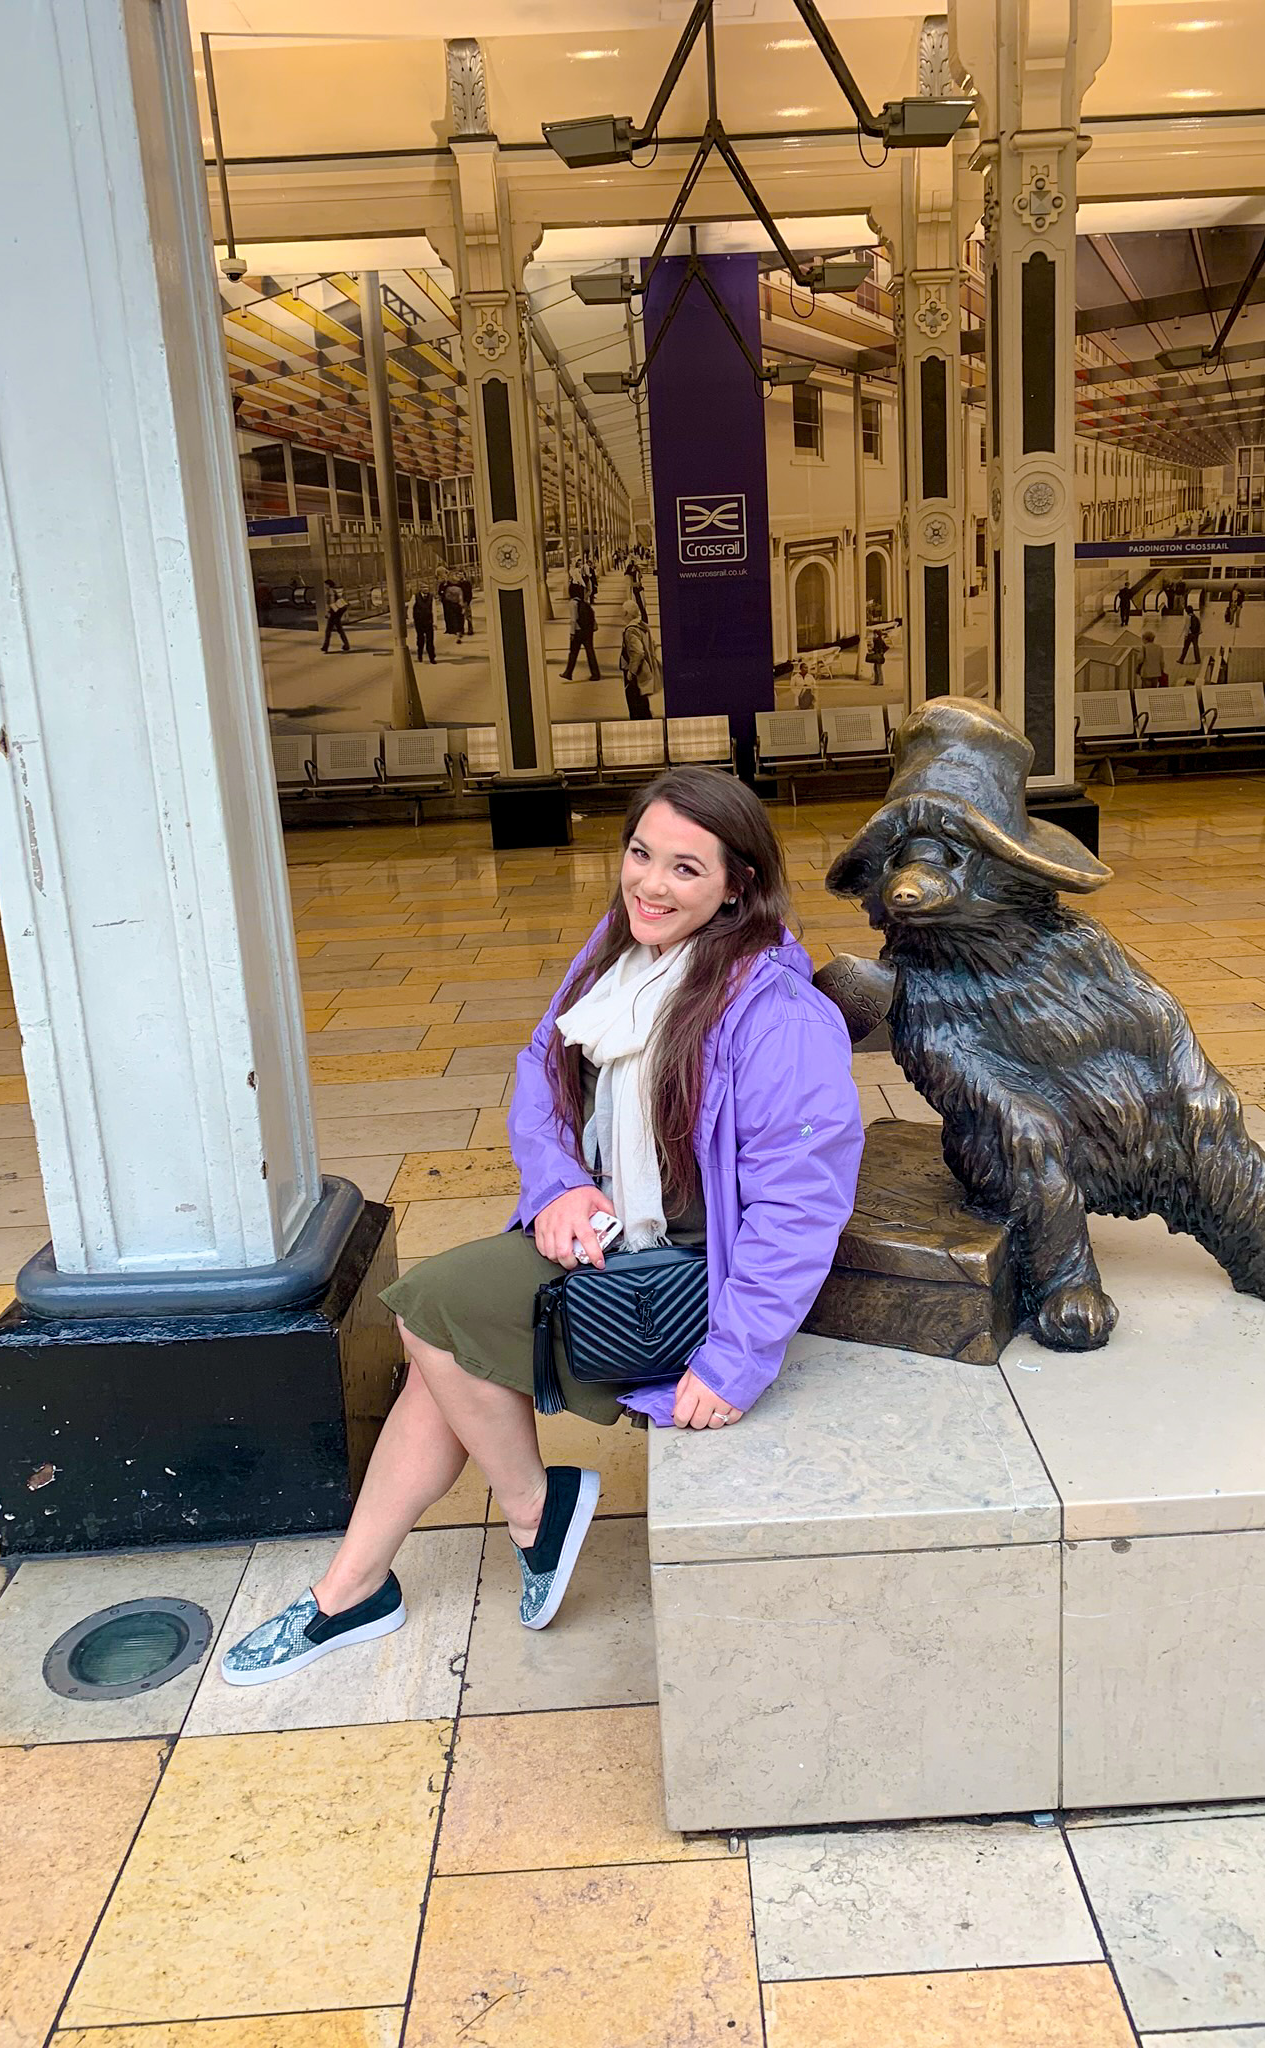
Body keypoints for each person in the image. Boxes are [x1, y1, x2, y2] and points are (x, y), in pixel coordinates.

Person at [218, 770, 864, 1682]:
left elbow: (802, 1203)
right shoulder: (619, 951)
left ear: (738, 886)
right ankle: (353, 1588)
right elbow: (542, 1067)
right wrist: (559, 1184)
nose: (650, 884)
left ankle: (531, 1513)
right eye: (641, 853)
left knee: (429, 1315)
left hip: (687, 1271)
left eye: (686, 868)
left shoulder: (779, 1016)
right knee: (440, 1362)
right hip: (600, 1233)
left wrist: (737, 1358)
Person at [562, 580, 601, 681]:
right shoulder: (584, 602)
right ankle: (595, 674)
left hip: (578, 631)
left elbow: (573, 619)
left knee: (573, 653)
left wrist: (572, 633)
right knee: (590, 652)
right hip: (588, 631)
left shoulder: (572, 603)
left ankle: (568, 673)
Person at [620, 620, 657, 719]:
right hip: (643, 669)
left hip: (635, 669)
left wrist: (631, 671)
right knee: (642, 698)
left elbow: (638, 652)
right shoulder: (642, 627)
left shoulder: (630, 630)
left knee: (634, 702)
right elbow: (653, 645)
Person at [321, 580, 350, 654]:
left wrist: (329, 612)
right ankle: (346, 645)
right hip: (336, 613)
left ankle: (325, 646)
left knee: (328, 630)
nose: (324, 586)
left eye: (325, 585)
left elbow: (332, 603)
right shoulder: (333, 591)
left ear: (328, 585)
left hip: (334, 613)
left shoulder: (330, 592)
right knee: (339, 630)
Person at [411, 585, 436, 664]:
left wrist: (435, 622)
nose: (426, 589)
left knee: (430, 640)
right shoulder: (415, 597)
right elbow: (410, 608)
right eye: (424, 587)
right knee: (420, 639)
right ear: (420, 589)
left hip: (429, 621)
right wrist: (411, 619)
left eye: (427, 587)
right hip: (419, 621)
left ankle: (432, 658)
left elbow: (434, 610)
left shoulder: (431, 597)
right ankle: (420, 655)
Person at [440, 576, 466, 642]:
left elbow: (447, 597)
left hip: (451, 606)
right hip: (458, 605)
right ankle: (460, 631)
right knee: (460, 619)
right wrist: (462, 607)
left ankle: (457, 633)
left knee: (454, 619)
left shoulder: (448, 589)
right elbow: (461, 598)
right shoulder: (459, 589)